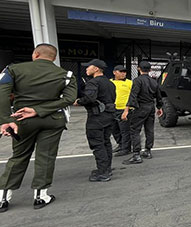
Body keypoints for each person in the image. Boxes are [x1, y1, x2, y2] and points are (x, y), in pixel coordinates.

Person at [0, 44, 77, 212]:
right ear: (54, 58)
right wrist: (39, 110)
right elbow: (69, 98)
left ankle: (3, 198)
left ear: (35, 54)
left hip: (22, 119)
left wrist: (5, 119)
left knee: (19, 156)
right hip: (52, 119)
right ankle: (41, 196)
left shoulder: (13, 70)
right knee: (46, 156)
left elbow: (2, 93)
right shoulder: (66, 74)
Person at [75, 59, 116, 182]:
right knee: (106, 142)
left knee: (97, 144)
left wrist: (79, 101)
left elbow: (89, 98)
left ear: (96, 69)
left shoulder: (93, 83)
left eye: (89, 67)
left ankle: (103, 173)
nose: (86, 69)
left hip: (97, 117)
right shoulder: (110, 83)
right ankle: (106, 168)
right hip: (109, 116)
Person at [122, 61, 163, 164]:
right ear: (150, 70)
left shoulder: (137, 81)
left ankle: (136, 154)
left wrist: (126, 110)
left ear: (138, 68)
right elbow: (159, 96)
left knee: (135, 130)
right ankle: (148, 151)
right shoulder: (154, 82)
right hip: (151, 107)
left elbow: (133, 95)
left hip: (140, 107)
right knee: (149, 129)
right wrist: (159, 107)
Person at [111, 65, 132, 157]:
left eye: (124, 72)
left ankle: (126, 148)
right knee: (114, 129)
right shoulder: (110, 82)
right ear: (114, 72)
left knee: (125, 130)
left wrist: (128, 109)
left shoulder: (129, 83)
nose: (123, 73)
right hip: (112, 109)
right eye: (121, 72)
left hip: (124, 109)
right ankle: (120, 144)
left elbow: (133, 96)